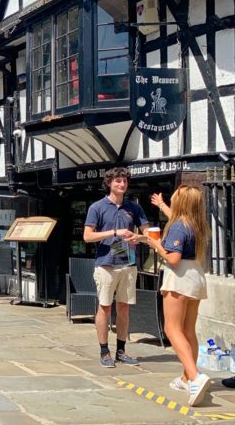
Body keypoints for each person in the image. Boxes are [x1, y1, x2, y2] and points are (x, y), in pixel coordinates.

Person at [147, 186, 211, 406]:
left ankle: (194, 376)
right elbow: (176, 216)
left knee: (172, 329)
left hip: (180, 276)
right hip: (196, 275)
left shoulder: (177, 226)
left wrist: (156, 245)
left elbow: (173, 259)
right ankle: (187, 377)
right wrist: (163, 205)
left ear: (181, 202)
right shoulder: (196, 223)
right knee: (188, 330)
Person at [83, 167, 148, 368]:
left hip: (127, 263)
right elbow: (87, 236)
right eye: (118, 181)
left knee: (124, 308)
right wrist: (113, 232)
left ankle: (121, 350)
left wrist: (139, 237)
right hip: (106, 264)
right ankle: (104, 351)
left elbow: (148, 234)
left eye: (125, 181)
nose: (122, 184)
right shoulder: (97, 207)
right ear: (109, 183)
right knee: (104, 307)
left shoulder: (134, 208)